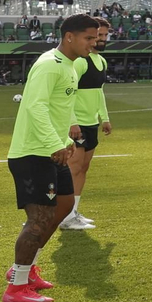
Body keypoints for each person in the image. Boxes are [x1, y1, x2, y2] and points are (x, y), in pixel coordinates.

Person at [2, 13, 102, 302]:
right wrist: (53, 144)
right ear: (69, 36)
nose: (93, 43)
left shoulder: (71, 66)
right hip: (33, 153)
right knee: (40, 217)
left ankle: (27, 269)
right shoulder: (49, 65)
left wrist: (66, 140)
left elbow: (59, 107)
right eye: (89, 38)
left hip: (53, 150)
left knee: (65, 204)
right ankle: (16, 287)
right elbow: (36, 107)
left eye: (96, 38)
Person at [61, 16, 113, 230]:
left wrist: (105, 118)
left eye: (104, 35)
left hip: (91, 123)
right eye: (98, 35)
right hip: (77, 124)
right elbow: (68, 94)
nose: (101, 39)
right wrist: (72, 122)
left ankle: (73, 212)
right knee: (73, 168)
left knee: (83, 169)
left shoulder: (101, 61)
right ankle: (64, 217)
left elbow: (99, 93)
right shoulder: (80, 62)